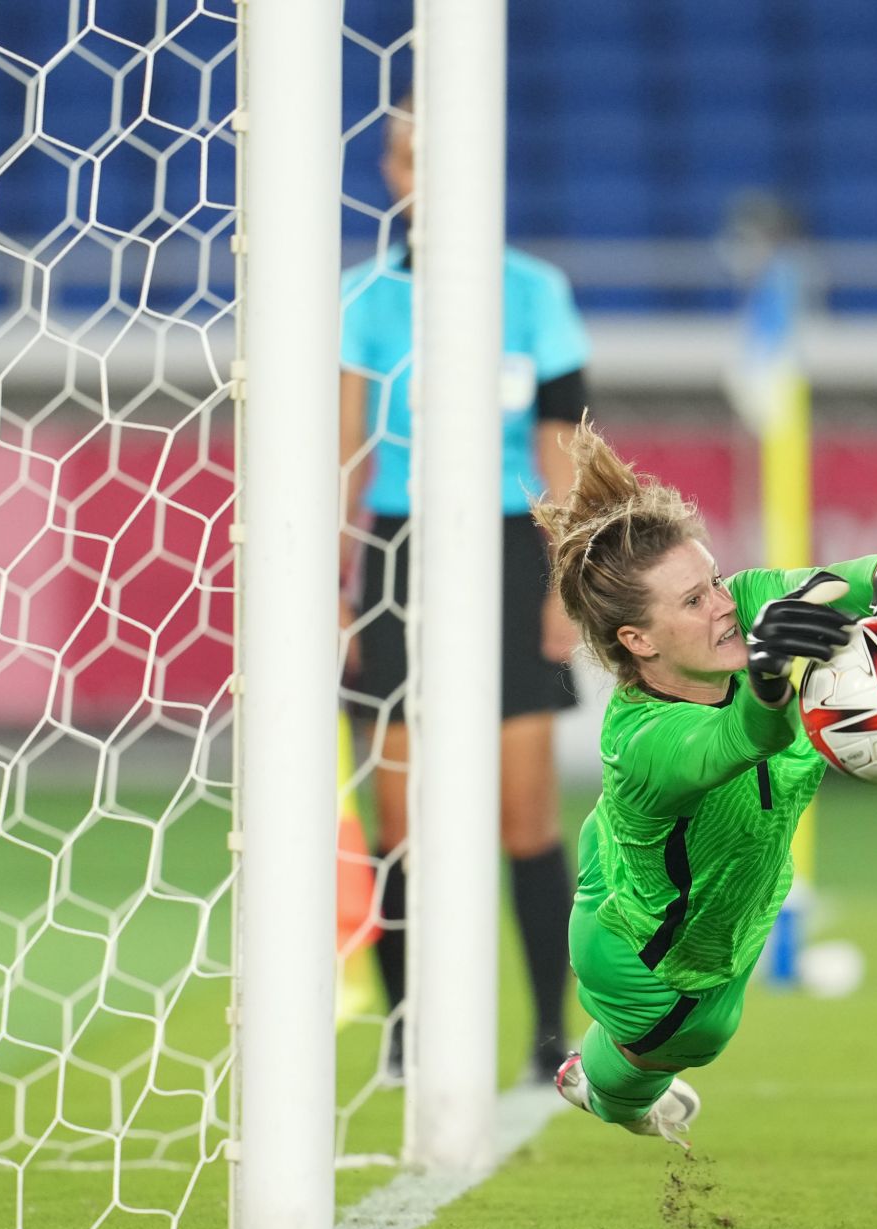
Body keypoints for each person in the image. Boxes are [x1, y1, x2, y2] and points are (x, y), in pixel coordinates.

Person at [539, 423, 877, 1145]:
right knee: (692, 1042)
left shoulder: (739, 609)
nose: (723, 604)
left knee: (646, 851)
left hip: (619, 862)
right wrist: (767, 685)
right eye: (694, 601)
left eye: (712, 580)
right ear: (637, 642)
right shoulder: (645, 744)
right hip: (659, 971)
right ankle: (598, 1082)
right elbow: (741, 738)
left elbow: (828, 585)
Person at [339, 99, 590, 1080]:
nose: (427, 175)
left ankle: (541, 1034)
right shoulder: (363, 298)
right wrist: (325, 580)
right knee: (399, 816)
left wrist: (565, 585)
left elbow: (564, 448)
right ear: (391, 176)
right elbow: (341, 451)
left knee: (522, 814)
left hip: (510, 552)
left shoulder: (534, 293)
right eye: (410, 158)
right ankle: (408, 1029)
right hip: (401, 555)